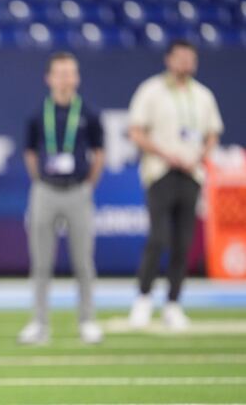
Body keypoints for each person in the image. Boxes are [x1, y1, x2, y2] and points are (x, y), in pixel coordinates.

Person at [127, 39, 224, 331]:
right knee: (159, 238)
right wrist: (165, 153)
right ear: (169, 59)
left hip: (191, 173)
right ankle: (143, 299)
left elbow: (212, 132)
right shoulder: (151, 91)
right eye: (180, 57)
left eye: (190, 58)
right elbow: (135, 130)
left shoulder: (203, 95)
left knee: (184, 242)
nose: (185, 63)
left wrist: (201, 156)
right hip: (161, 171)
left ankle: (174, 303)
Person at [20, 51, 105, 345]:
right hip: (45, 190)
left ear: (77, 77)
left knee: (84, 261)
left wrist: (88, 185)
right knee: (41, 263)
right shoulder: (37, 114)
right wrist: (40, 180)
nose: (66, 78)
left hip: (78, 190)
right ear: (49, 78)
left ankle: (88, 321)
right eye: (60, 73)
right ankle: (39, 324)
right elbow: (30, 152)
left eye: (71, 72)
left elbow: (99, 153)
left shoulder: (88, 113)